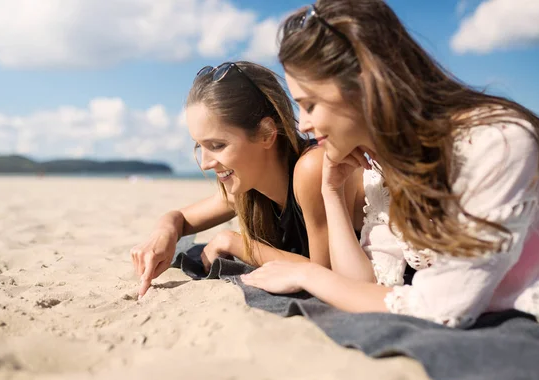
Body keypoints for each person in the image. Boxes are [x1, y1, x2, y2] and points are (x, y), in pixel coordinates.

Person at [241, 1, 539, 329]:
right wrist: (331, 192)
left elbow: (441, 310)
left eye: (311, 104)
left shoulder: (496, 146)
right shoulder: (385, 165)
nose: (302, 125)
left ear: (366, 86)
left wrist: (308, 275)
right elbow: (363, 285)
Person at [131, 61, 365, 299]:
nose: (205, 162)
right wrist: (163, 235)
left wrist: (234, 243)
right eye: (199, 146)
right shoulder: (247, 187)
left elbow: (323, 274)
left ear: (266, 133)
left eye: (217, 145)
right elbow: (179, 219)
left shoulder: (312, 168)